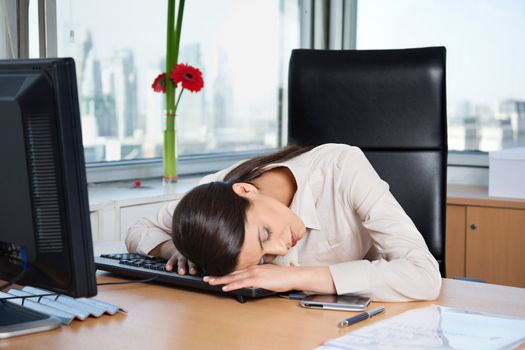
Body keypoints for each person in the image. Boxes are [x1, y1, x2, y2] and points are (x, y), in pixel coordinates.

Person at [126, 143, 442, 302]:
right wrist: (175, 249)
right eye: (264, 258)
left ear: (246, 190)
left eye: (265, 234)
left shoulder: (343, 168)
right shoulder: (209, 207)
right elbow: (138, 230)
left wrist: (296, 278)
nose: (279, 248)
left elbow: (425, 276)